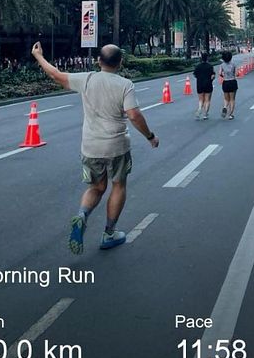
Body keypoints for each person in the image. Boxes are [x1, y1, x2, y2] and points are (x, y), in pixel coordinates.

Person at [31, 41, 159, 254]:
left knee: (96, 188)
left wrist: (39, 56)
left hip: (91, 146)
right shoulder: (125, 84)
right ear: (120, 63)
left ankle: (82, 215)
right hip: (116, 146)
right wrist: (150, 136)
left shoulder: (86, 79)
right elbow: (134, 115)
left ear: (98, 61)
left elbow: (56, 75)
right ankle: (109, 233)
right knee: (118, 185)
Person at [193, 52, 215, 119]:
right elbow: (213, 76)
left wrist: (199, 77)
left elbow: (195, 75)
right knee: (207, 100)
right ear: (207, 58)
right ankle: (205, 114)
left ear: (201, 58)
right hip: (208, 84)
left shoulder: (198, 66)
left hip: (199, 84)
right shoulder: (210, 66)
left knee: (200, 99)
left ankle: (199, 108)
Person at [219, 50, 238, 119]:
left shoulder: (222, 65)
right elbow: (236, 74)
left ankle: (224, 107)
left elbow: (220, 73)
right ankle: (230, 114)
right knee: (232, 99)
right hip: (232, 81)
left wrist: (224, 75)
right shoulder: (233, 64)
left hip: (225, 82)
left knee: (226, 98)